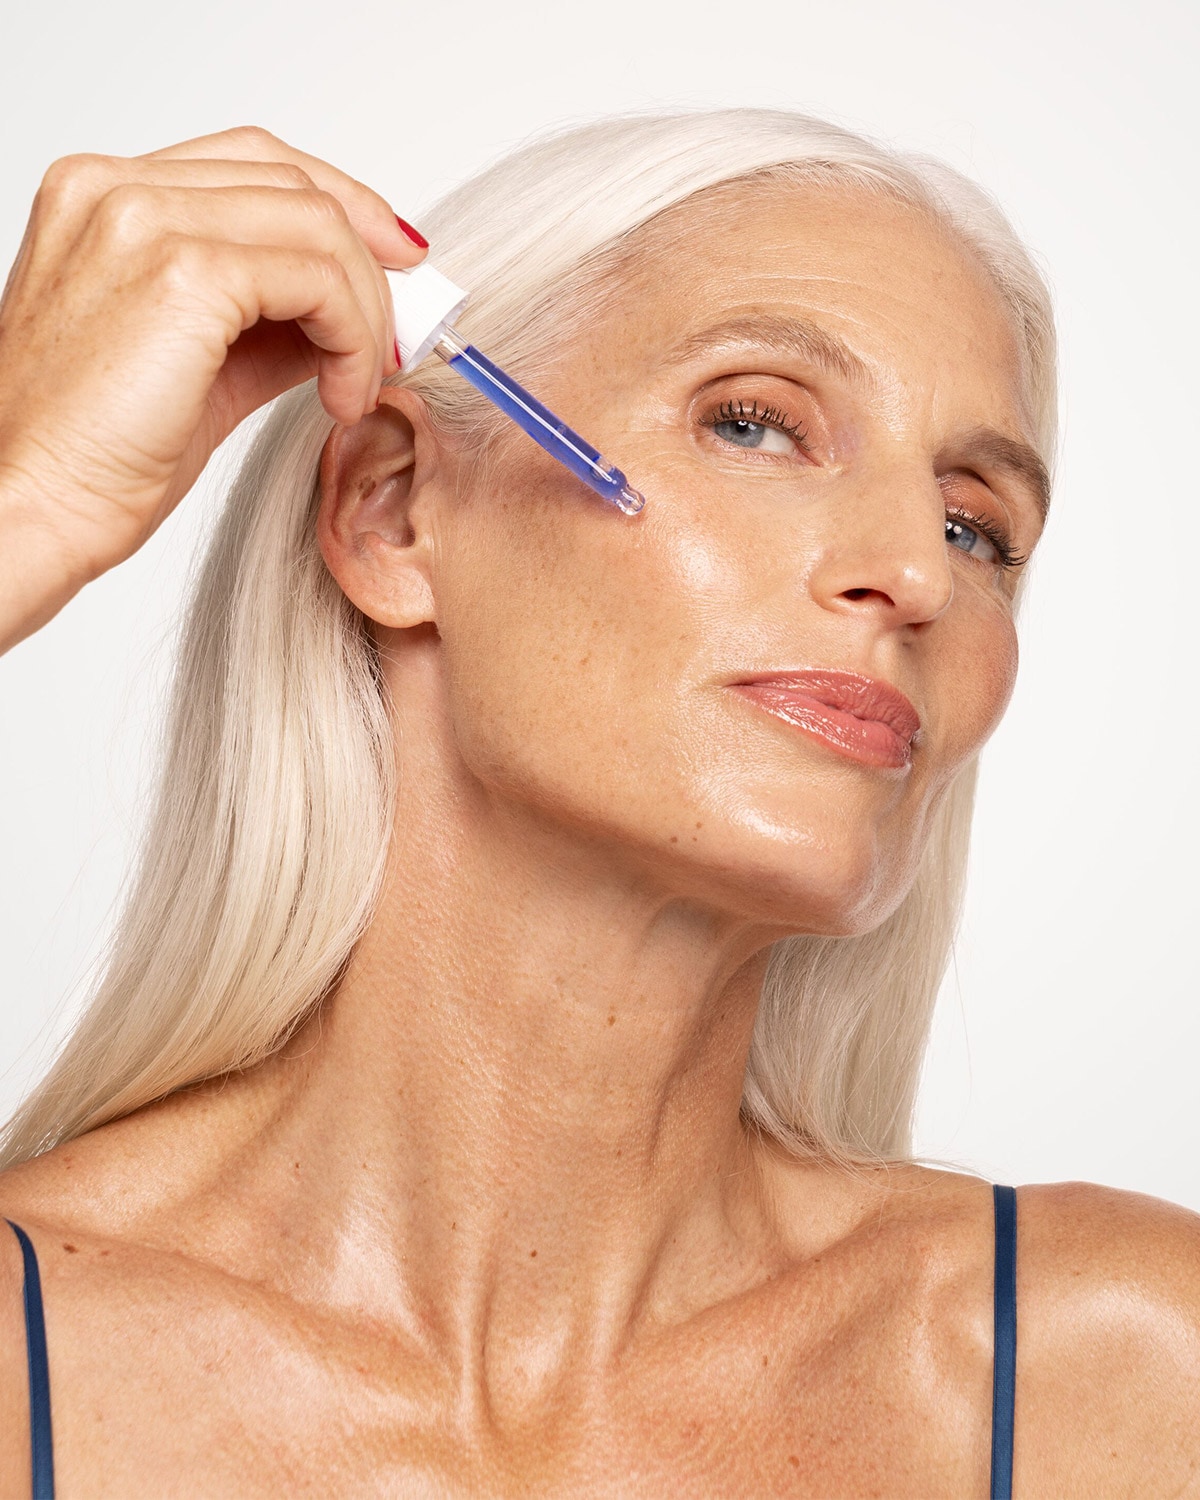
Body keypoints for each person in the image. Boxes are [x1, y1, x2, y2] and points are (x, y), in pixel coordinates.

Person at [0, 112, 1196, 1498]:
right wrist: (24, 501)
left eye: (975, 526)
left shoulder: (1126, 1375)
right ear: (392, 512)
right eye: (754, 422)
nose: (915, 576)